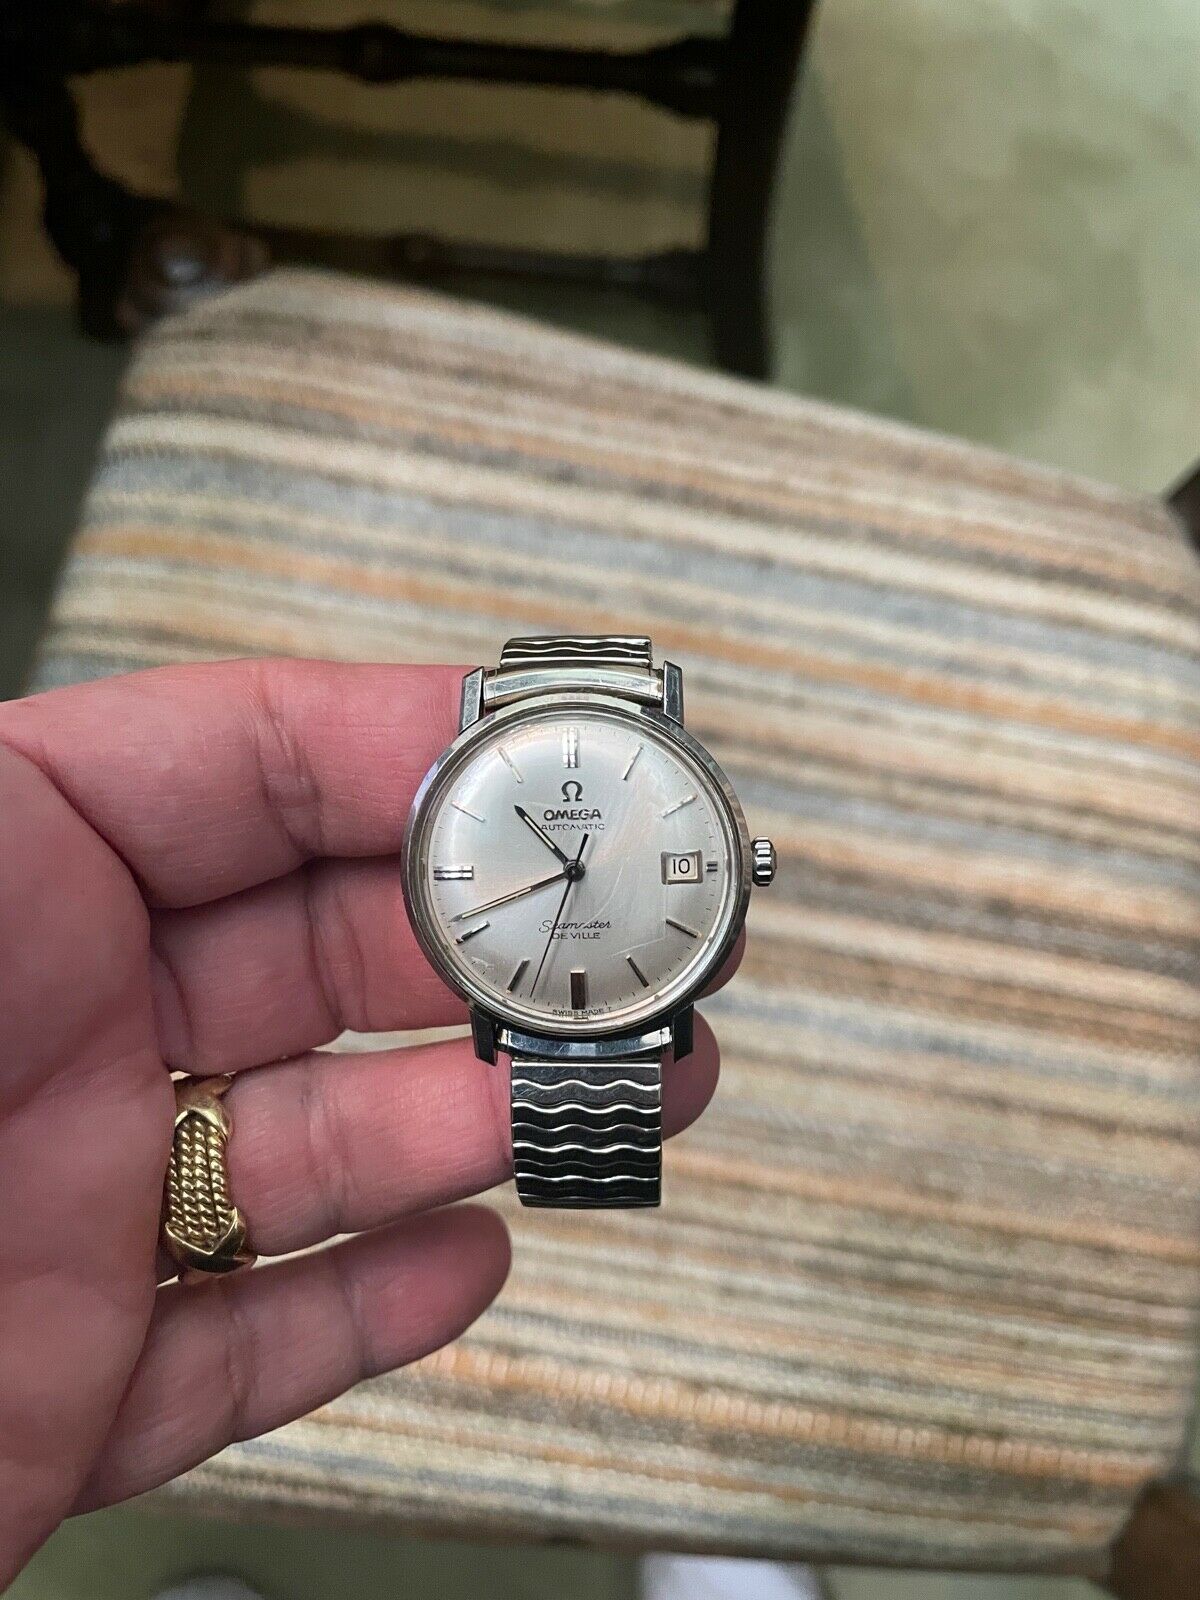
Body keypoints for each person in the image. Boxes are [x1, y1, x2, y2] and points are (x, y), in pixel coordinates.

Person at [0, 659, 730, 1587]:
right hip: (526, 994)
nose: (575, 867)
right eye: (562, 859)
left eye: (577, 862)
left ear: (739, 864)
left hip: (629, 999)